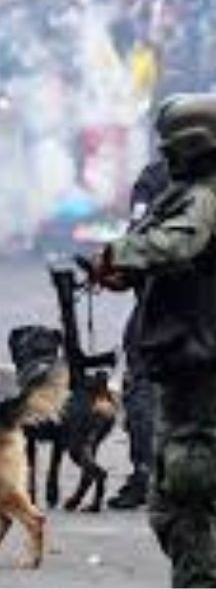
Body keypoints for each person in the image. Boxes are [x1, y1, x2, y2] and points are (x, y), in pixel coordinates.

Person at [89, 93, 216, 587]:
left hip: (201, 361)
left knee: (187, 490)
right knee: (169, 500)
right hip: (182, 358)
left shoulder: (205, 196)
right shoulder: (185, 191)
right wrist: (126, 272)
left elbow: (178, 242)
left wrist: (119, 253)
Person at [108, 158, 168, 510]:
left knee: (143, 388)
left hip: (161, 306)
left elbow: (137, 244)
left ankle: (147, 472)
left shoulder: (157, 176)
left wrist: (114, 267)